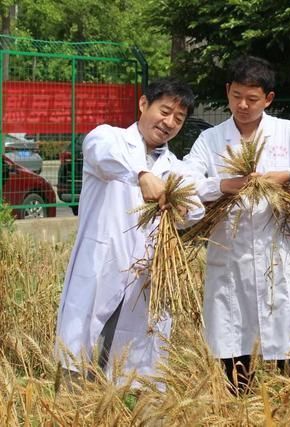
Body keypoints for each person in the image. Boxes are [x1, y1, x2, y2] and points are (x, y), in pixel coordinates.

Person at [183, 55, 290, 392]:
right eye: (236, 96)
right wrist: (222, 185)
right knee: (234, 350)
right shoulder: (210, 141)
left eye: (252, 99)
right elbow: (185, 180)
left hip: (282, 260)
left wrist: (288, 175)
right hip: (231, 262)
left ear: (268, 99)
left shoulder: (288, 133)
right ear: (227, 92)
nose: (243, 105)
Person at [55, 78, 203, 385]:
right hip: (100, 267)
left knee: (131, 376)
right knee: (78, 367)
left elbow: (195, 205)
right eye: (165, 111)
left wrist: (183, 210)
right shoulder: (108, 138)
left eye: (179, 118)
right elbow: (101, 154)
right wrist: (142, 174)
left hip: (144, 279)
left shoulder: (177, 168)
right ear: (143, 103)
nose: (169, 122)